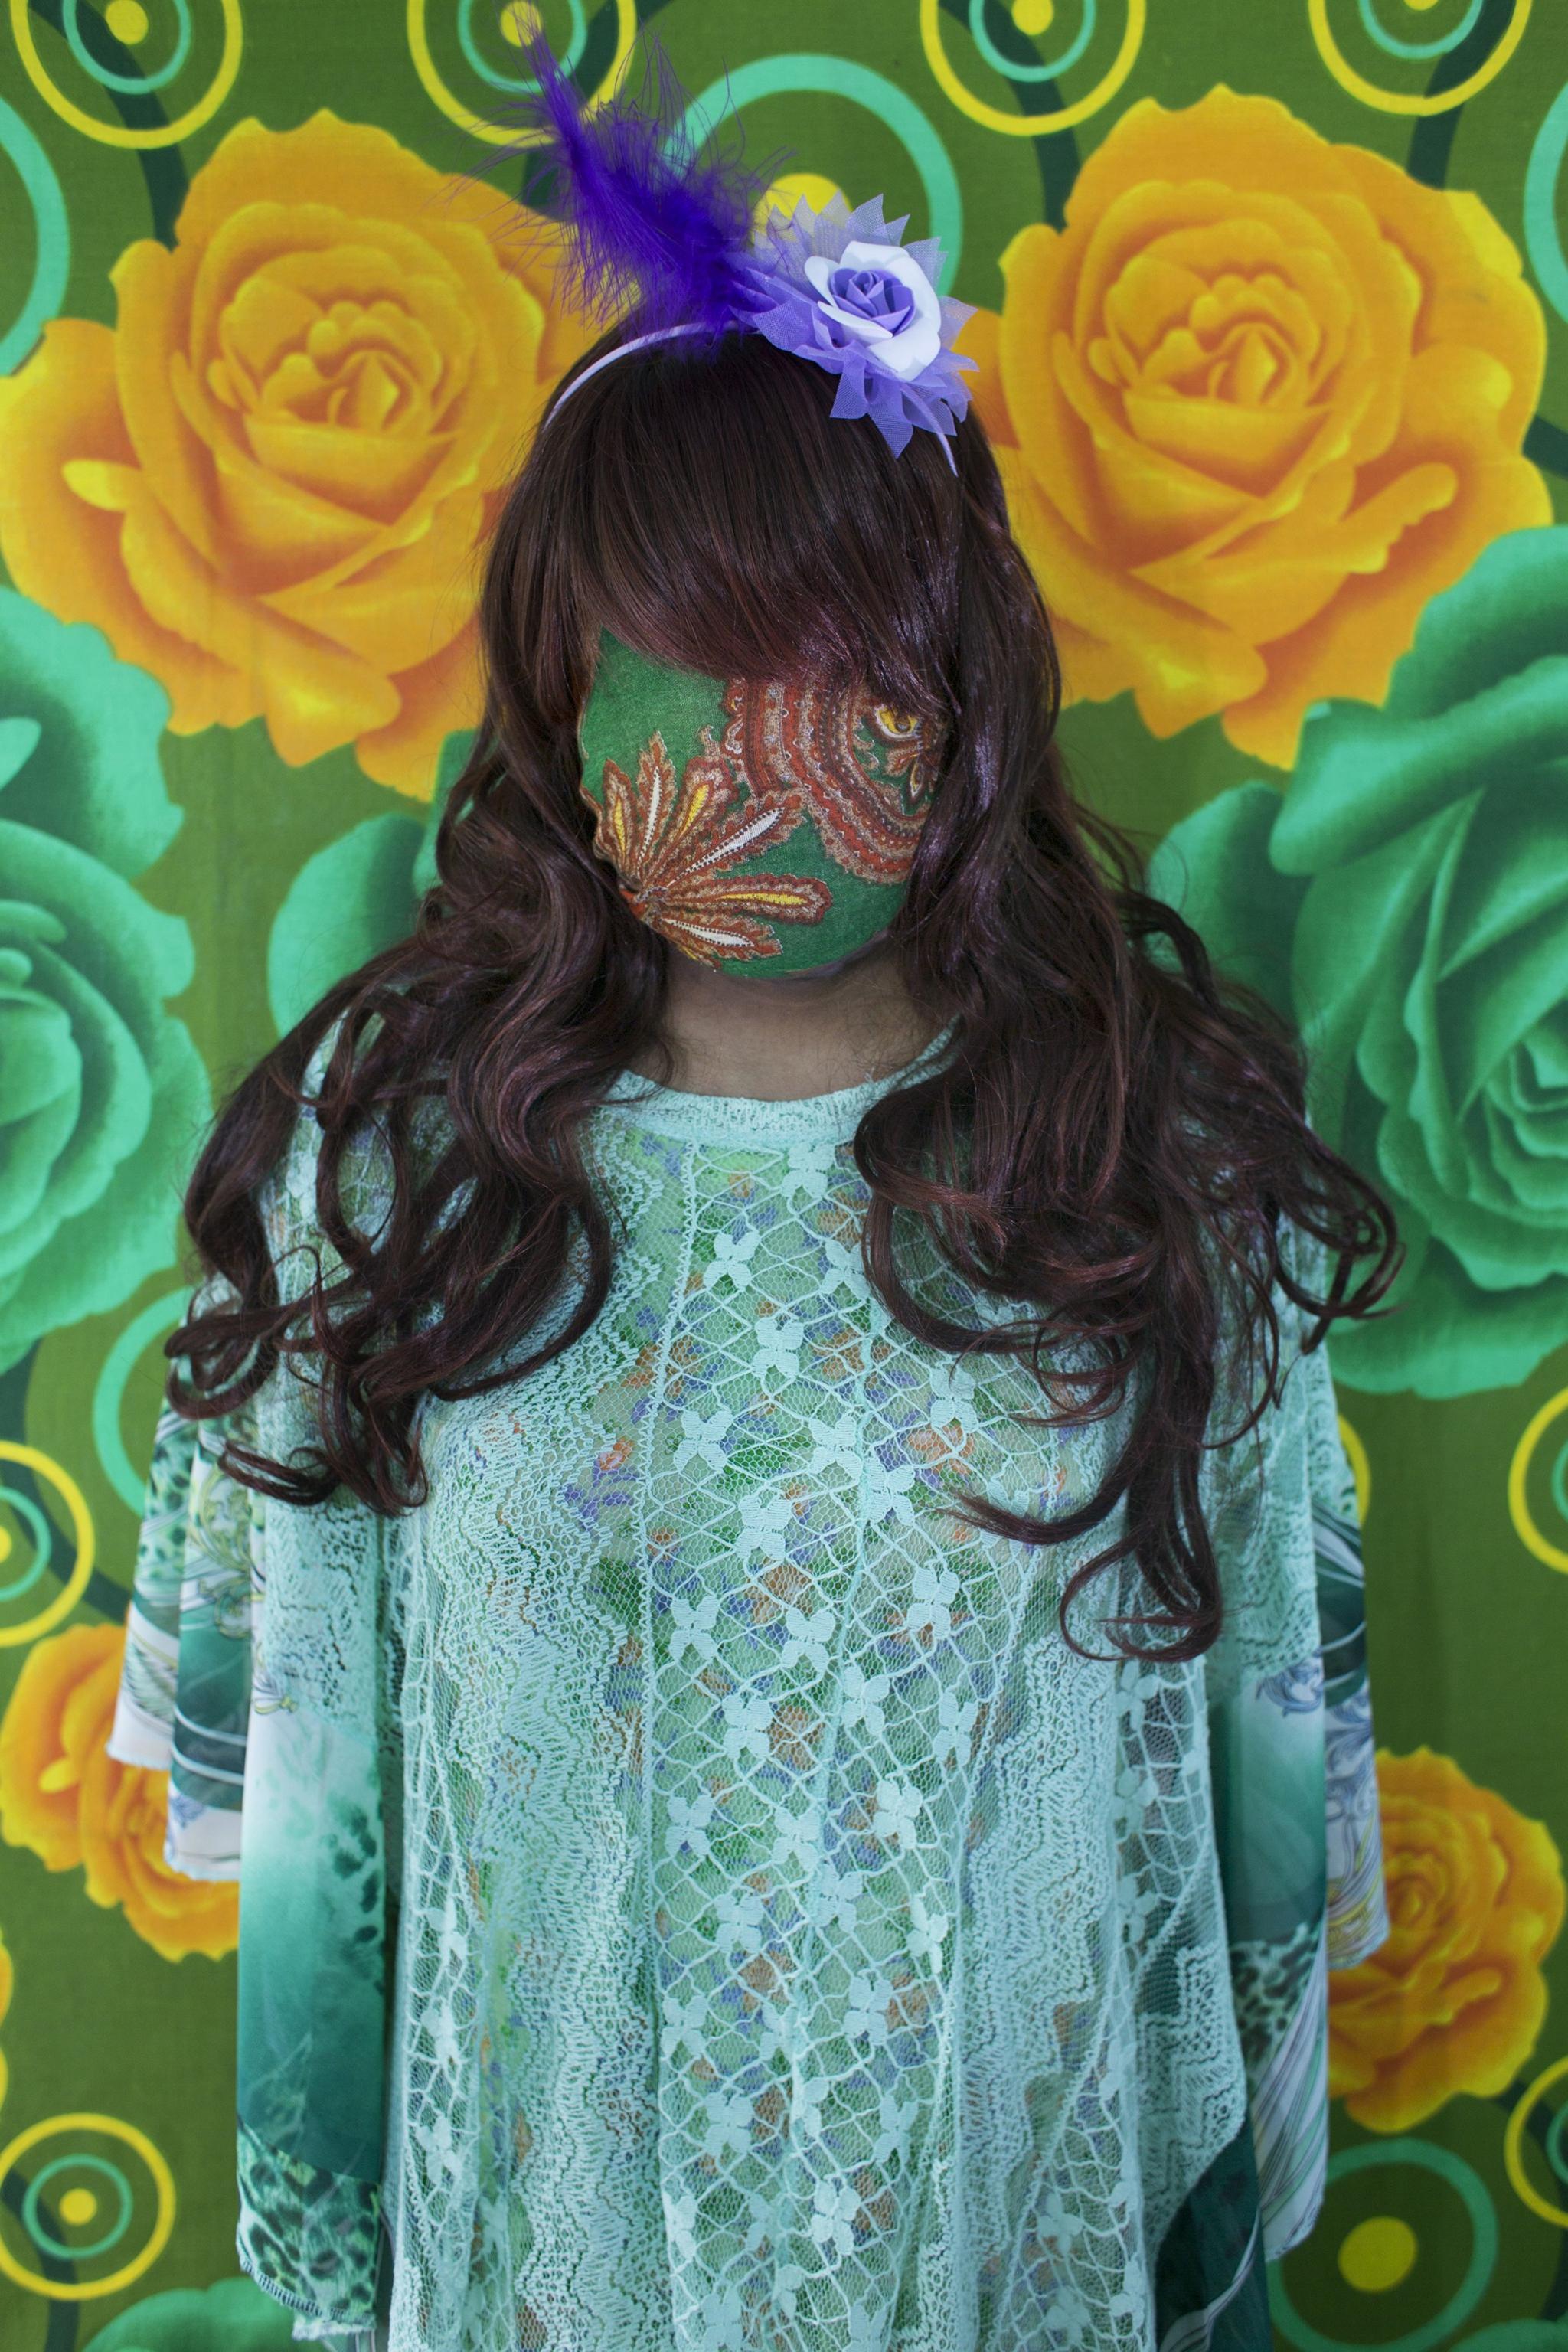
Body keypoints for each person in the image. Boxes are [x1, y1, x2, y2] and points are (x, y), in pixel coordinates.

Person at [105, 41, 1401, 2352]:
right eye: (678, 669)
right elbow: (305, 1839)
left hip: (1021, 2256)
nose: (754, 753)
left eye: (838, 671)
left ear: (965, 685)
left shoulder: (1155, 1173)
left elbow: (1250, 1822)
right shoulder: (387, 1187)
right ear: (558, 689)